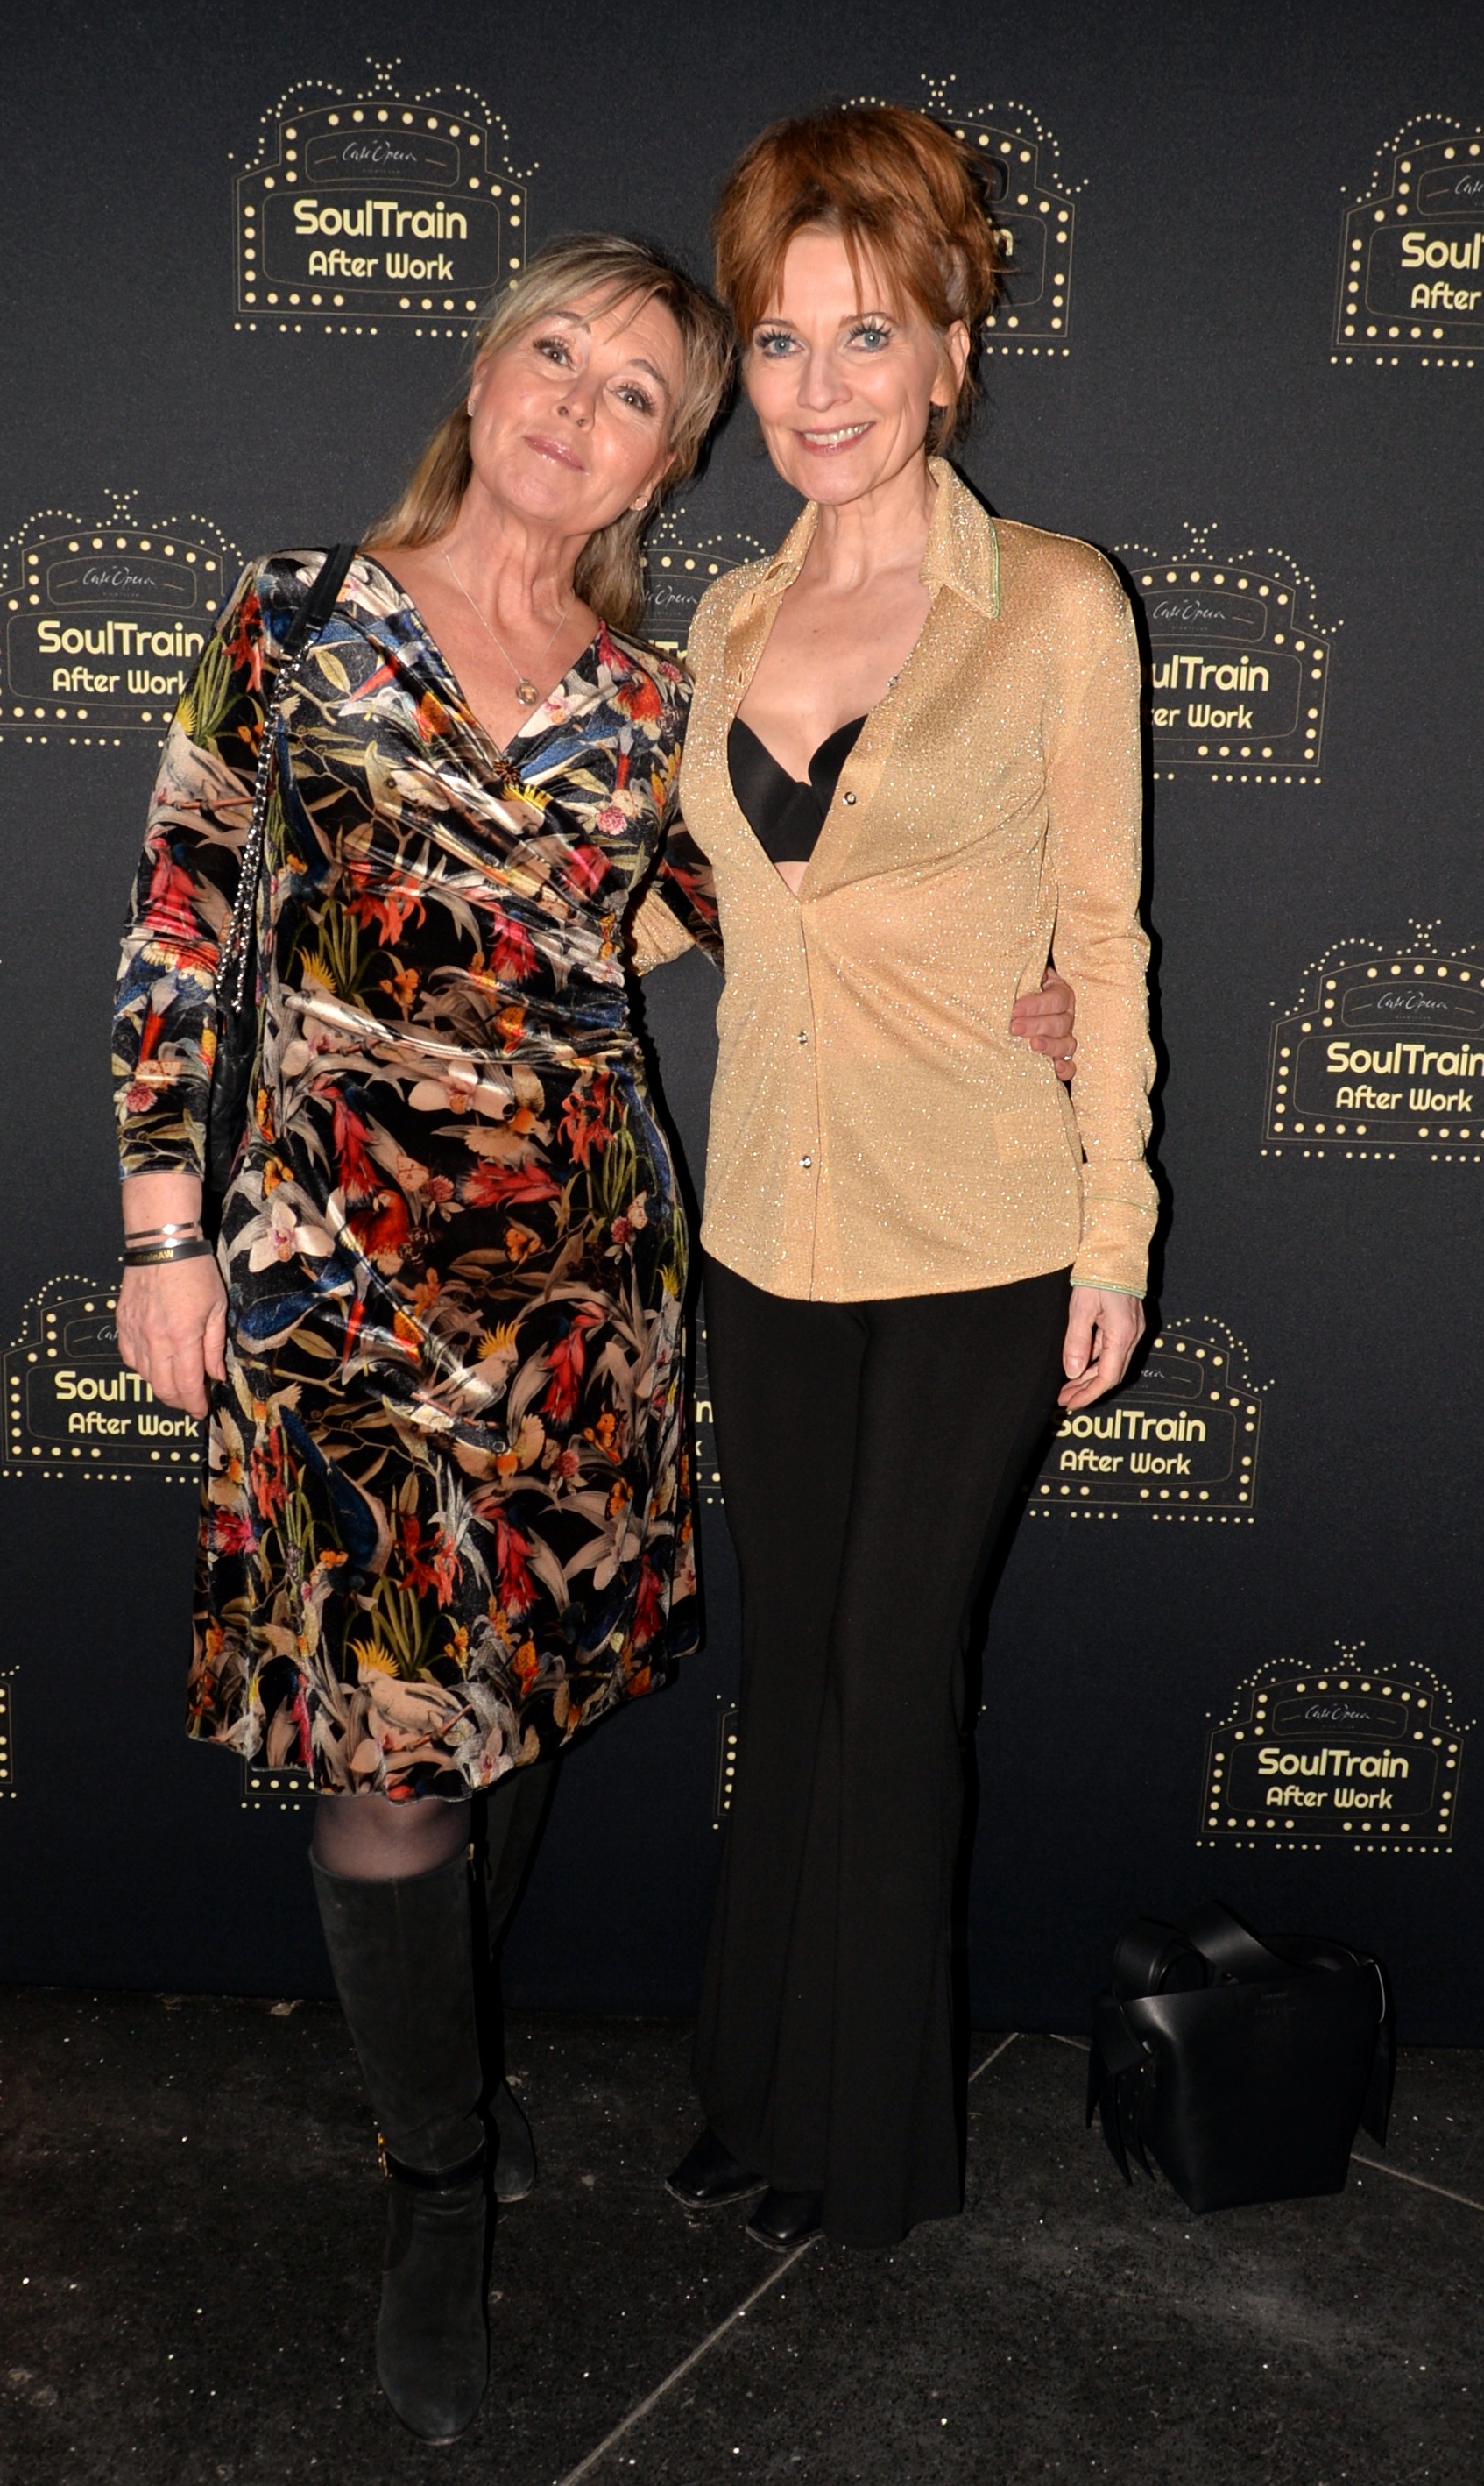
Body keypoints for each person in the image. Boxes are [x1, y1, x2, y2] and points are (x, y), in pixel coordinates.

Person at [110, 234, 733, 2442]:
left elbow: (737, 910)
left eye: (636, 389)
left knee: (521, 1703)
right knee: (390, 1773)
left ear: (664, 465)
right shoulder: (293, 617)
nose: (578, 401)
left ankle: (445, 2068)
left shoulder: (656, 702)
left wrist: (1004, 993)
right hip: (334, 1286)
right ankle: (435, 2176)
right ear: (481, 375)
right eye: (553, 350)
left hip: (581, 1284)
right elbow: (181, 924)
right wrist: (163, 1229)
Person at [647, 104, 1156, 2254]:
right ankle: (752, 2091)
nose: (819, 387)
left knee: (886, 1669)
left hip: (976, 1228)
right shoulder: (722, 616)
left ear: (952, 350)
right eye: (777, 341)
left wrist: (1113, 1230)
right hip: (765, 1222)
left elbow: (1102, 940)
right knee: (788, 1665)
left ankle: (865, 2150)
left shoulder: (1051, 604)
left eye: (867, 335)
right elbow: (679, 904)